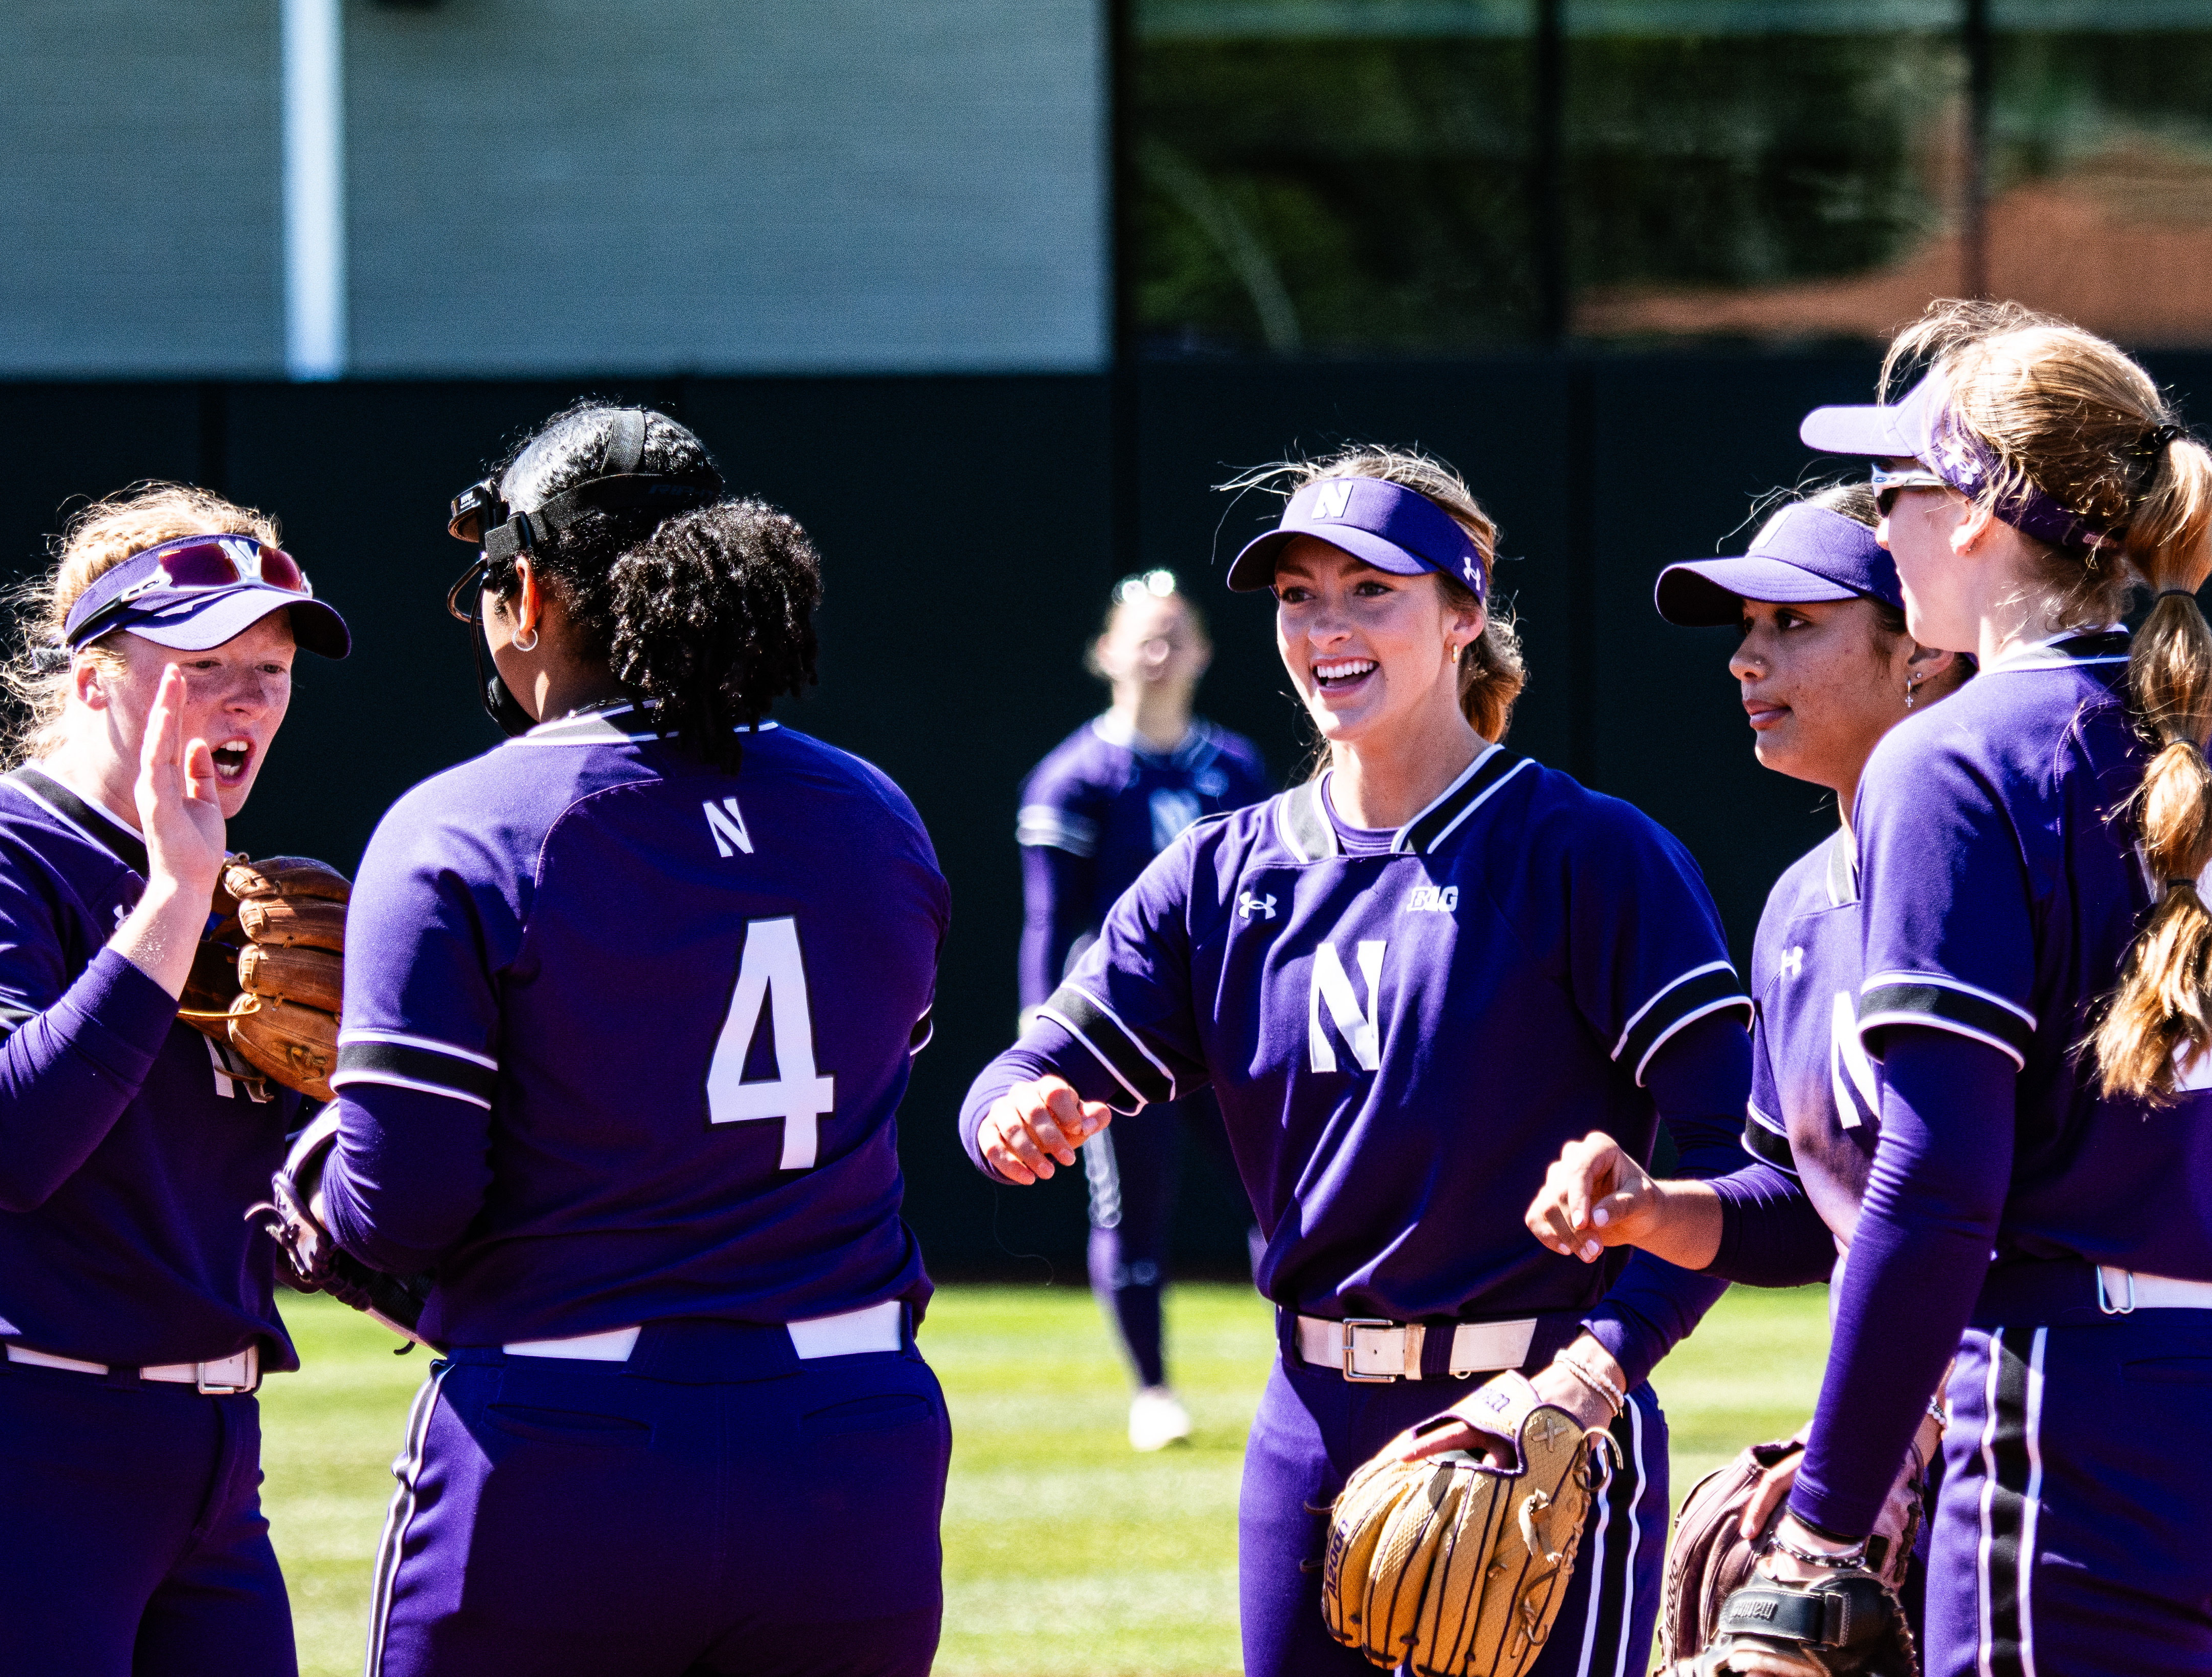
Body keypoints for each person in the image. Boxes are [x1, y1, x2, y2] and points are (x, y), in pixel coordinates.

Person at [1529, 301, 2212, 1677]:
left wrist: (1823, 1529)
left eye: (1900, 486)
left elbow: (1938, 1182)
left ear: (1972, 515)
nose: (1883, 518)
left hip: (2077, 1434)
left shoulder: (1950, 762)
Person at [966, 448, 1754, 1677]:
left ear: (1463, 613)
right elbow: (1029, 1064)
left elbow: (1732, 1158)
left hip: (1538, 1415)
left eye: (1370, 590)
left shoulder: (1589, 855)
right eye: (1296, 595)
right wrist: (1017, 1109)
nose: (1326, 626)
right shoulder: (1223, 875)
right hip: (1308, 1423)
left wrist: (1603, 1371)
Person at [310, 405, 952, 1677]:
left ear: (530, 592)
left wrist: (303, 1180)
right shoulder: (873, 811)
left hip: (566, 1436)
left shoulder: (465, 824)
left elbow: (400, 1209)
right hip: (853, 1435)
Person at [0, 485, 350, 1675]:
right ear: (95, 676)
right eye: (206, 658)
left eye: (272, 667)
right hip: (25, 1443)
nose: (250, 698)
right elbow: (2, 1141)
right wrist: (169, 904)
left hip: (217, 1450)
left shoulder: (240, 892)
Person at [1538, 484, 1972, 1637]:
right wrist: (1655, 1205)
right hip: (1897, 1434)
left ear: (1920, 648)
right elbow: (1796, 1208)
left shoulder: (2008, 871)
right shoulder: (1796, 909)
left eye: (1794, 624)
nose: (1746, 659)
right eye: (1745, 629)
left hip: (2042, 1425)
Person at [1015, 569, 1271, 1449]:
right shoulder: (1073, 779)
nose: (1158, 655)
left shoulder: (1235, 766)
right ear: (1105, 652)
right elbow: (1049, 920)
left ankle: (1309, 1355)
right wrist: (1038, 1038)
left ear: (1201, 650)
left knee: (1285, 1194)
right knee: (1131, 1207)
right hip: (1132, 1032)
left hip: (1234, 1021)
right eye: (1142, 637)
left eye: (1175, 637)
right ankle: (1154, 1390)